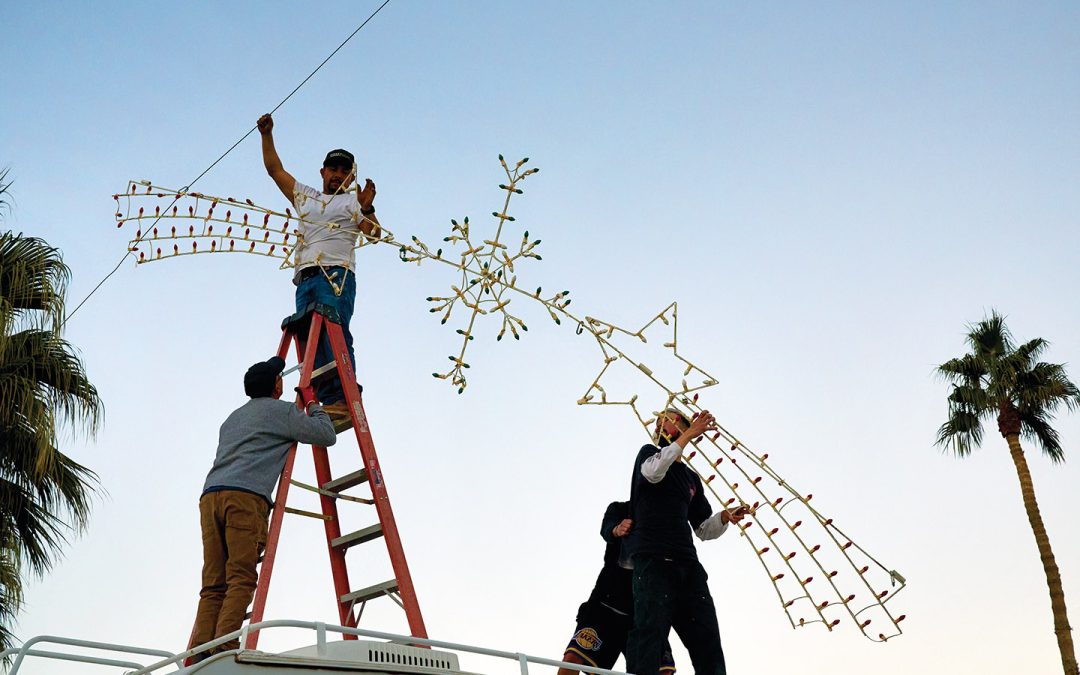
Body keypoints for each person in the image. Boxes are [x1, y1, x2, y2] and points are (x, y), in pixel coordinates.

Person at [189, 356, 337, 660]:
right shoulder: (283, 412)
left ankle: (201, 653)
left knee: (213, 584)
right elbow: (326, 434)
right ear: (277, 385)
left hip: (210, 496)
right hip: (245, 498)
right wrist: (312, 403)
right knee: (241, 578)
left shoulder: (231, 419)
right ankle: (223, 652)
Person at [257, 112, 381, 426]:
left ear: (351, 178)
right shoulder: (307, 197)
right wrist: (267, 134)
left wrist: (366, 207)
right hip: (306, 278)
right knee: (309, 341)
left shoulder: (352, 203)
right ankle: (323, 401)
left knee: (333, 332)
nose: (338, 175)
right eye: (334, 169)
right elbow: (275, 170)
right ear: (323, 171)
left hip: (336, 275)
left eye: (345, 171)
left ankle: (344, 397)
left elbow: (375, 233)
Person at [624, 408, 750, 675]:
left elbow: (703, 528)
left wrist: (725, 517)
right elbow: (652, 473)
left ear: (681, 424)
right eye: (658, 421)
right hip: (653, 560)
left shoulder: (691, 478)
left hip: (687, 565)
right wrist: (690, 434)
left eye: (668, 420)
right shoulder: (648, 453)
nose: (661, 425)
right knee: (650, 633)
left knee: (707, 640)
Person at [558, 501, 675, 675]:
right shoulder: (620, 508)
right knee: (573, 659)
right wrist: (616, 529)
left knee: (663, 671)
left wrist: (722, 518)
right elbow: (607, 529)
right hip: (605, 605)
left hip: (642, 612)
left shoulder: (667, 518)